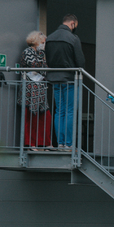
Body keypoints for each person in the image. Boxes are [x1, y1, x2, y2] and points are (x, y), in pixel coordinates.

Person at [45, 14, 85, 151]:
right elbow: (80, 62)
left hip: (54, 79)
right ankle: (68, 143)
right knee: (70, 111)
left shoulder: (49, 38)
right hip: (69, 79)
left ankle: (60, 143)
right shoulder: (73, 38)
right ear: (72, 23)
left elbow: (48, 60)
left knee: (59, 111)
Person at [18, 31, 52, 151]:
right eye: (42, 43)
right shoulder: (27, 52)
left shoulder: (40, 53)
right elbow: (35, 65)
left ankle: (44, 142)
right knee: (30, 116)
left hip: (40, 88)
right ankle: (30, 143)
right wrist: (42, 65)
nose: (44, 45)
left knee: (45, 116)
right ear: (36, 41)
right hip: (30, 89)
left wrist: (42, 67)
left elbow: (45, 69)